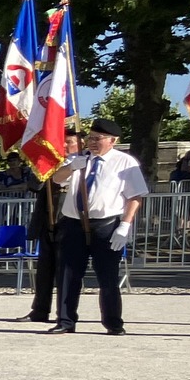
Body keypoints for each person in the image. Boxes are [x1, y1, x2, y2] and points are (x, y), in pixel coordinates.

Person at [48, 118, 146, 336]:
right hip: (74, 223)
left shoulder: (125, 162)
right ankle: (65, 320)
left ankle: (113, 322)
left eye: (97, 139)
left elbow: (135, 196)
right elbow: (56, 179)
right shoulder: (79, 158)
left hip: (106, 224)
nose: (92, 142)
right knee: (68, 274)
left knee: (107, 276)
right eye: (90, 138)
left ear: (112, 141)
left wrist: (125, 225)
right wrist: (71, 167)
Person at [21, 149, 68, 323]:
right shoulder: (50, 163)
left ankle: (65, 314)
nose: (64, 145)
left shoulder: (84, 162)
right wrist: (44, 169)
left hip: (69, 221)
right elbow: (34, 186)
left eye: (69, 142)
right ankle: (39, 310)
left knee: (65, 271)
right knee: (44, 270)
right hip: (47, 220)